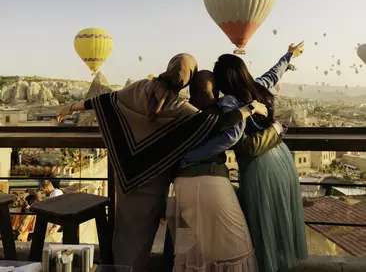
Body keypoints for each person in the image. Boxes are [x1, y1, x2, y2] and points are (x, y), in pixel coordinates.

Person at [57, 53, 266, 272]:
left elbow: (105, 101)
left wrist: (71, 108)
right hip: (154, 180)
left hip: (127, 176)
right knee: (144, 238)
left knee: (126, 231)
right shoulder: (178, 108)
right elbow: (216, 124)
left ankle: (118, 268)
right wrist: (250, 108)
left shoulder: (139, 88)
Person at [167, 70, 285, 272]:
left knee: (194, 251)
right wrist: (251, 112)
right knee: (237, 250)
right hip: (209, 183)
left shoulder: (179, 113)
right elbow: (231, 137)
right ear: (215, 90)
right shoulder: (214, 114)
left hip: (182, 187)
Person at [210, 42, 308, 272]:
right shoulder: (257, 88)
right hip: (281, 157)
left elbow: (240, 142)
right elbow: (274, 73)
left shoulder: (228, 103)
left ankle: (266, 266)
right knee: (279, 215)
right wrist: (290, 54)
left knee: (262, 220)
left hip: (260, 165)